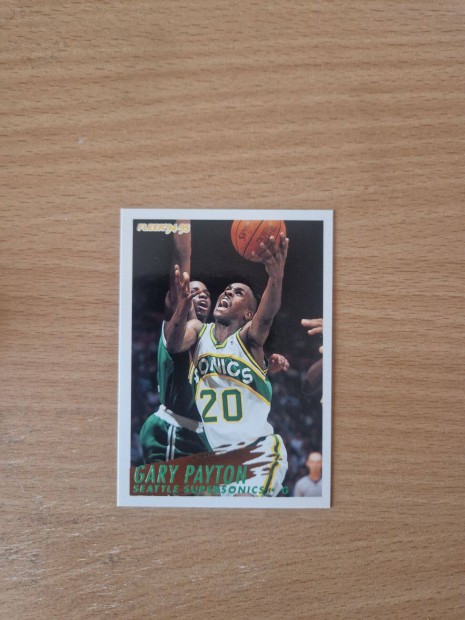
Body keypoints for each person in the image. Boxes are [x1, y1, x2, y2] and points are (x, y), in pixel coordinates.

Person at [165, 233, 289, 497]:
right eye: (227, 290)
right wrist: (181, 309)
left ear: (248, 314)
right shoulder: (199, 331)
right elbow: (174, 345)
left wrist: (275, 278)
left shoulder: (248, 340)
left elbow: (266, 317)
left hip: (258, 454)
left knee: (245, 511)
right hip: (219, 461)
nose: (227, 292)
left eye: (238, 293)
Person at [139, 221, 212, 463]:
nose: (202, 295)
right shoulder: (176, 321)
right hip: (172, 431)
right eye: (195, 291)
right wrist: (184, 220)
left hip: (200, 434)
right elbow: (182, 256)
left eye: (206, 294)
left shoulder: (212, 337)